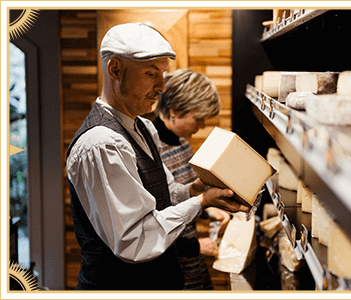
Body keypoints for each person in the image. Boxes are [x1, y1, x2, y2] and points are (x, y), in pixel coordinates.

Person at [65, 23, 249, 290]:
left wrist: (195, 189)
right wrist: (202, 201)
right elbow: (135, 239)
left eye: (162, 74)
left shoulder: (144, 127)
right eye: (152, 74)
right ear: (115, 69)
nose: (162, 87)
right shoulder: (101, 144)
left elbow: (164, 194)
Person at [152, 69, 230, 290]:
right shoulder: (151, 150)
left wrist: (208, 210)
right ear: (175, 110)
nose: (202, 125)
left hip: (190, 264)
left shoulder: (182, 142)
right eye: (199, 118)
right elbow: (149, 228)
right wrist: (192, 246)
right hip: (168, 269)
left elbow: (180, 197)